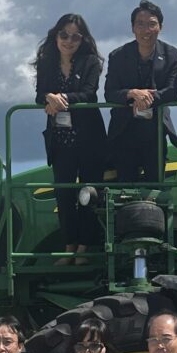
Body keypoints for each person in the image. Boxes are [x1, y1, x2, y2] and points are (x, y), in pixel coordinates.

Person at [34, 13, 108, 265]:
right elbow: (38, 95)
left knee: (89, 193)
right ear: (56, 36)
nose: (68, 41)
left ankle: (84, 247)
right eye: (64, 35)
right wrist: (48, 98)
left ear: (82, 39)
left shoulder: (90, 62)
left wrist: (58, 98)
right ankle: (69, 246)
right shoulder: (47, 63)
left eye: (75, 36)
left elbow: (88, 94)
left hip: (89, 139)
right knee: (63, 193)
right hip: (60, 139)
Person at [104, 0, 177, 183]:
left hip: (155, 131)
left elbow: (172, 91)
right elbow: (110, 92)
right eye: (140, 24)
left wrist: (146, 97)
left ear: (160, 27)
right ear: (132, 28)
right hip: (124, 131)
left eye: (151, 24)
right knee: (125, 190)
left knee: (155, 189)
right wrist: (131, 93)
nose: (146, 30)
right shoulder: (117, 56)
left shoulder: (172, 54)